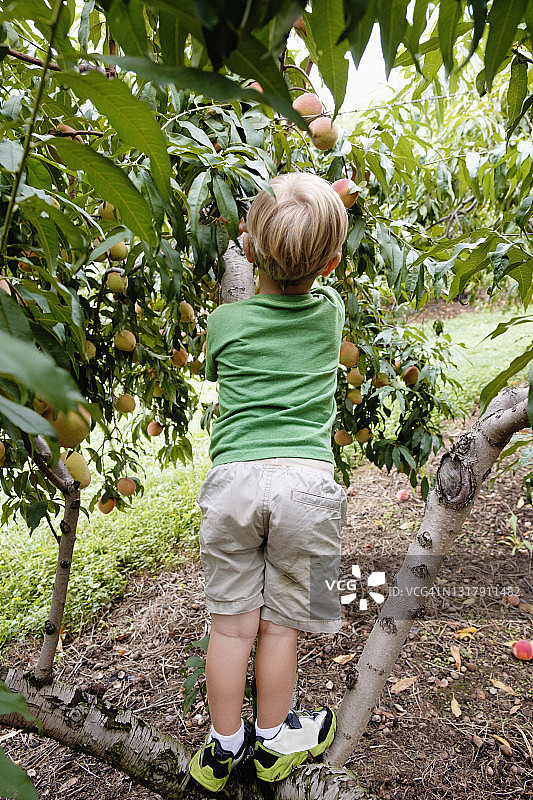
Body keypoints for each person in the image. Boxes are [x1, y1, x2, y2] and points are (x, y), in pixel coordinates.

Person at [189, 172, 349, 792]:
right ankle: (277, 736)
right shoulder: (329, 312)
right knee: (281, 625)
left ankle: (224, 744)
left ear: (249, 247)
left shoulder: (226, 323)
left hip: (232, 482)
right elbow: (307, 257)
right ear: (331, 263)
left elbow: (219, 355)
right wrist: (325, 211)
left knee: (231, 625)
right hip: (305, 485)